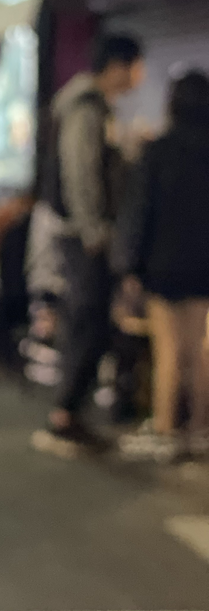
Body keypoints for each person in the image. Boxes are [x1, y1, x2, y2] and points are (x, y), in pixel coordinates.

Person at [37, 33, 145, 452]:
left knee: (89, 319)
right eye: (137, 65)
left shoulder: (91, 106)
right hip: (83, 235)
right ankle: (64, 416)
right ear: (118, 65)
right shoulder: (86, 107)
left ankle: (68, 413)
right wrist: (93, 229)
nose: (139, 76)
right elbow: (80, 172)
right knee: (88, 319)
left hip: (83, 232)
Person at [116, 70, 209, 461]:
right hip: (204, 265)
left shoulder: (158, 151)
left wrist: (129, 265)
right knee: (201, 348)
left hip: (165, 264)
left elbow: (140, 212)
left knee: (169, 349)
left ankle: (166, 429)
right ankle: (201, 429)